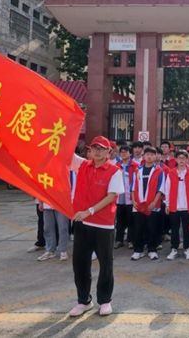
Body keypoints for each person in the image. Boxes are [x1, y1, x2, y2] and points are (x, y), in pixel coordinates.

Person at [68, 136, 124, 317]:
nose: (98, 152)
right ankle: (84, 301)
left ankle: (105, 300)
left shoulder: (114, 171)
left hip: (103, 225)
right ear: (90, 151)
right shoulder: (82, 165)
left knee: (105, 264)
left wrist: (89, 211)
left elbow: (111, 196)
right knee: (80, 263)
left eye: (102, 149)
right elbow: (64, 154)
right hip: (82, 223)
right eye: (94, 148)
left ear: (109, 152)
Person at [163, 150, 189, 260]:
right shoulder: (171, 173)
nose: (181, 160)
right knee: (174, 229)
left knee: (187, 229)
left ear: (187, 159)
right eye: (179, 158)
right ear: (176, 160)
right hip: (174, 206)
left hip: (187, 206)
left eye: (184, 158)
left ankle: (187, 248)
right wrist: (167, 204)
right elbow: (167, 189)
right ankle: (174, 249)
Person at [131, 147, 165, 261]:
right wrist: (133, 201)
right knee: (138, 228)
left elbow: (160, 189)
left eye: (152, 154)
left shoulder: (159, 171)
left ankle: (152, 250)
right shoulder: (137, 170)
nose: (149, 156)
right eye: (147, 154)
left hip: (152, 205)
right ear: (143, 156)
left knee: (152, 228)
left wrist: (154, 202)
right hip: (138, 205)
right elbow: (132, 187)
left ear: (155, 157)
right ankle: (138, 250)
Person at [115, 145, 139, 249]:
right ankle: (119, 240)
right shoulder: (117, 165)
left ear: (130, 153)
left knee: (131, 220)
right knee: (120, 220)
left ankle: (131, 240)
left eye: (126, 152)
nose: (124, 154)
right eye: (122, 152)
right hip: (119, 196)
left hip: (130, 197)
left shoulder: (135, 165)